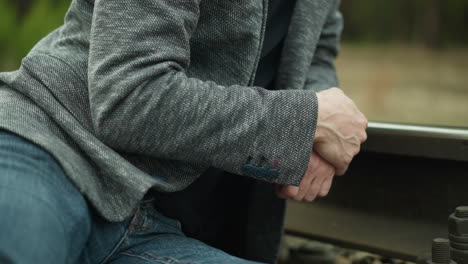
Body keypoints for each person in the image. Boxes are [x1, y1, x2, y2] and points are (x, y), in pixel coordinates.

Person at [0, 0, 367, 263]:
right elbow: (128, 96)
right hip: (50, 149)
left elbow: (315, 50)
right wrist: (304, 124)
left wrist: (318, 128)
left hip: (155, 223)